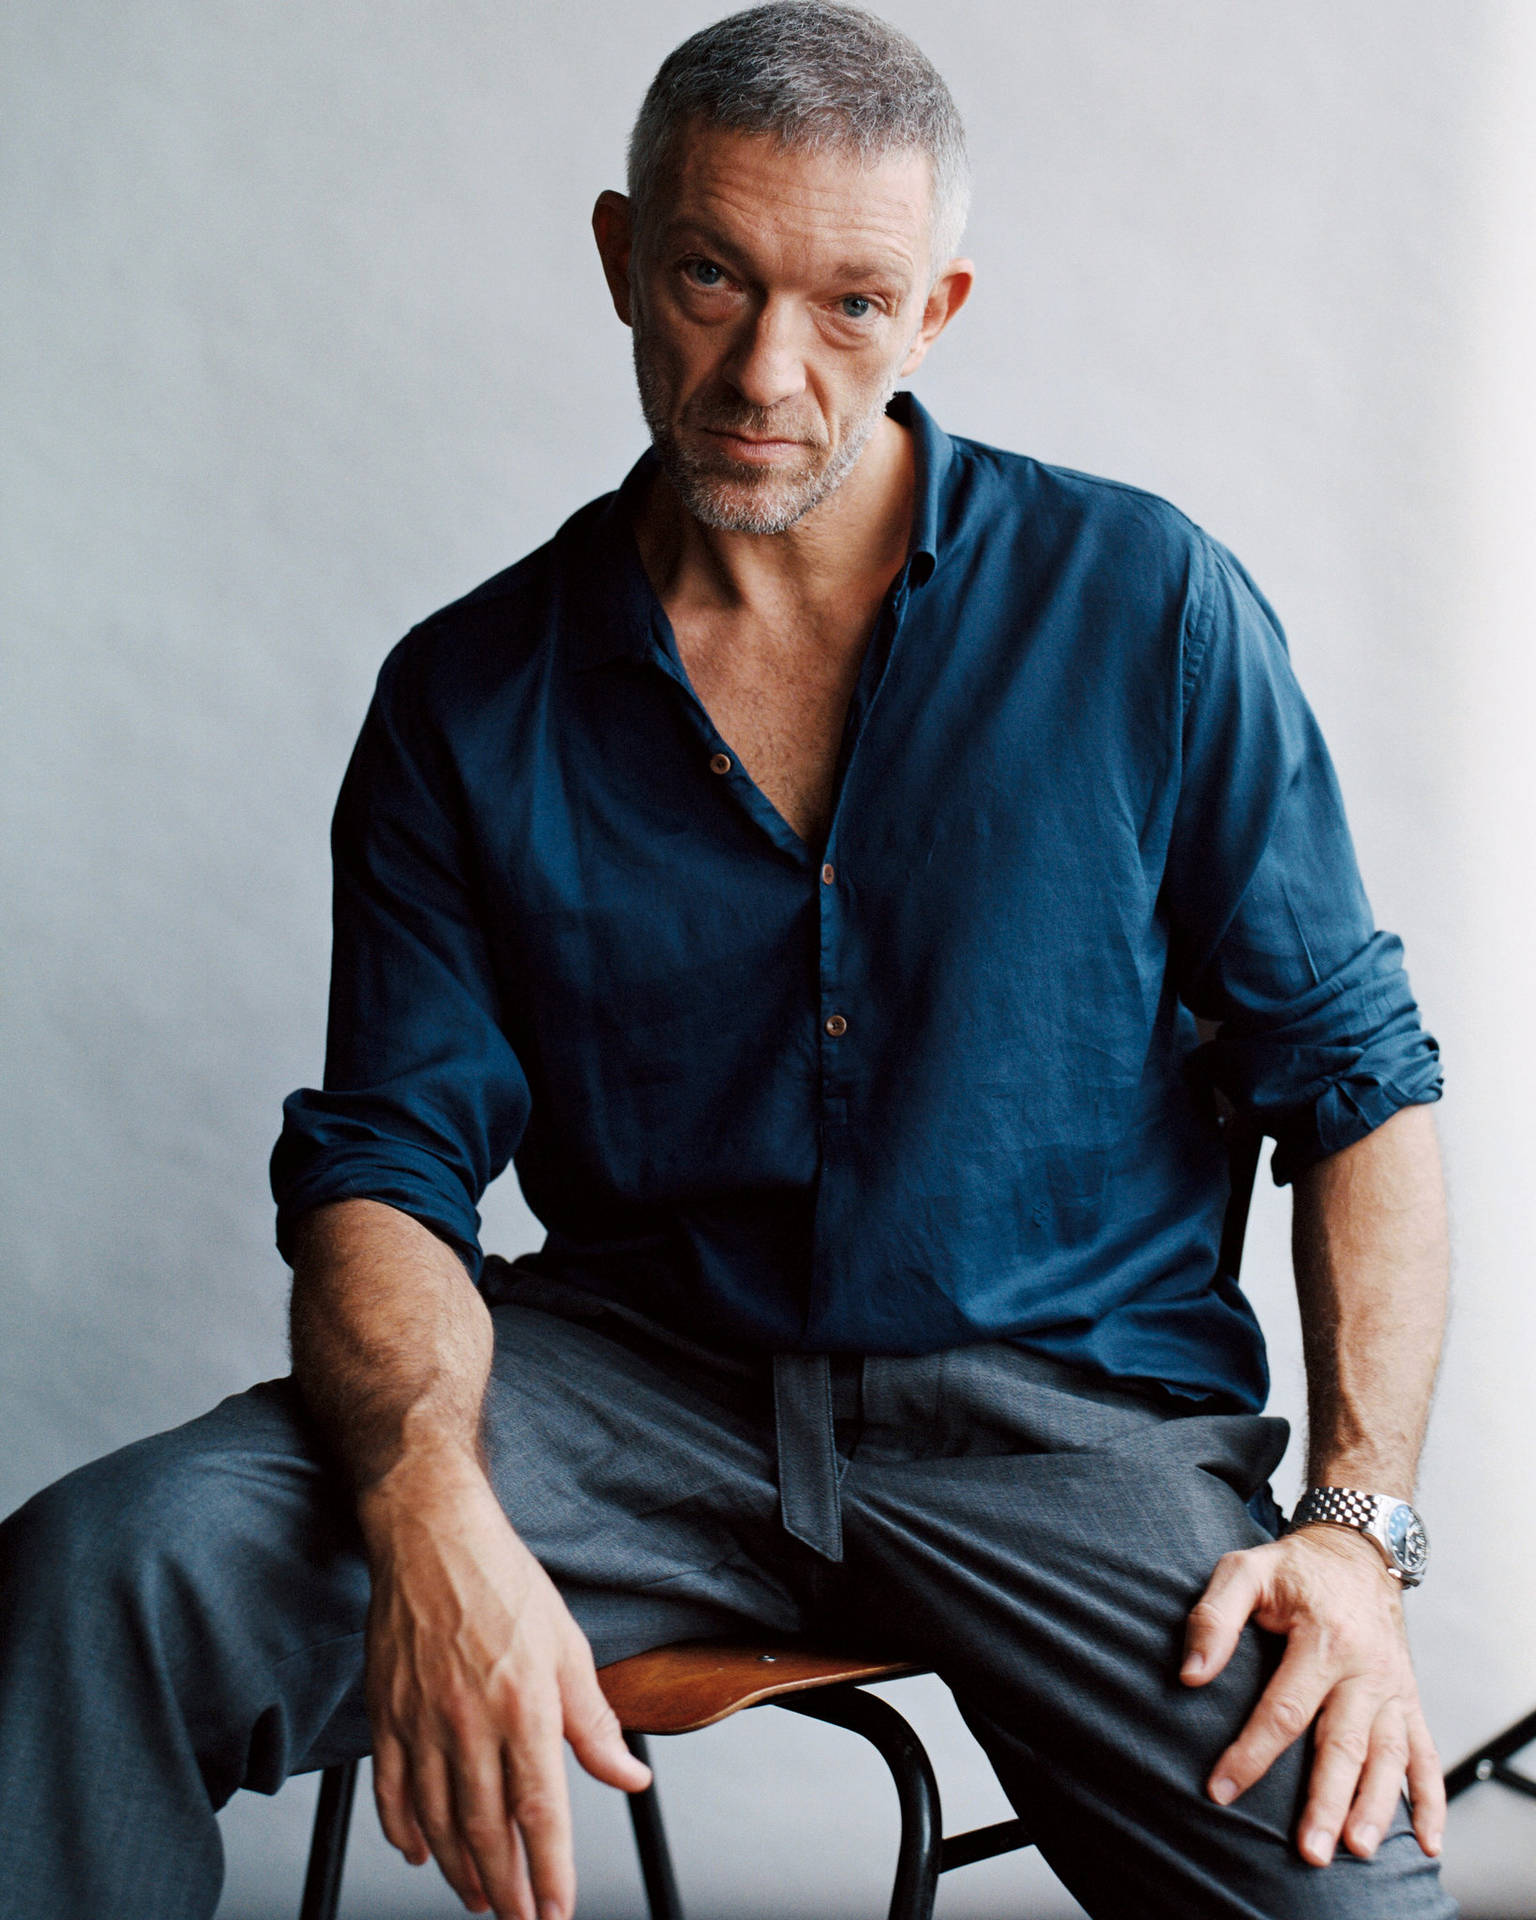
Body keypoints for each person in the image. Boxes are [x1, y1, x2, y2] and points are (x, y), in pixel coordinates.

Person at [0, 6, 1456, 1917]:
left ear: (937, 308)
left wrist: (1354, 1532)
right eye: (711, 275)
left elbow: (1356, 1085)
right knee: (105, 1575)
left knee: (1349, 1901)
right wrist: (435, 1502)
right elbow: (386, 1169)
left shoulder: (1141, 606)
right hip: (629, 1403)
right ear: (621, 256)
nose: (769, 371)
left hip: (1062, 1425)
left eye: (851, 304)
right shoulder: (467, 699)